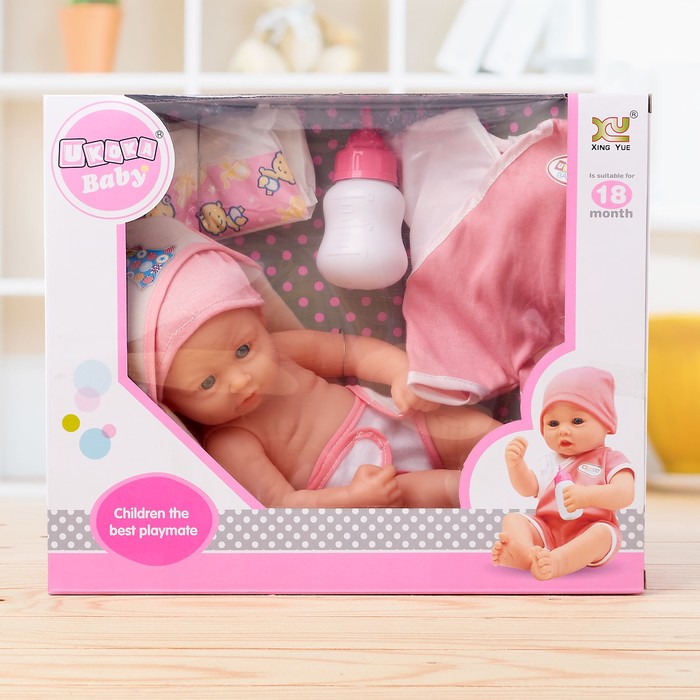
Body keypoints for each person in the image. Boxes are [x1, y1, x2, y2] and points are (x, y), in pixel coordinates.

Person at [127, 217, 500, 508]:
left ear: (259, 319)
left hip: (396, 417)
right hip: (364, 485)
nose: (240, 381)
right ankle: (507, 505)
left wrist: (398, 372)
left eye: (243, 351)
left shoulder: (282, 350)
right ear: (172, 402)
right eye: (207, 383)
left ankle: (527, 450)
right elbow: (281, 505)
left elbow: (352, 352)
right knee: (446, 489)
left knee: (480, 430)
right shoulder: (229, 442)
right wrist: (351, 499)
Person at [491, 366, 635, 580]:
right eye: (553, 423)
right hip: (547, 531)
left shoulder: (609, 459)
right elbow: (528, 488)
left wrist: (586, 496)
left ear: (606, 422)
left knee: (603, 534)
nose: (563, 430)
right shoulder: (550, 462)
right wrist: (516, 465)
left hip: (589, 532)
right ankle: (527, 555)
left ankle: (558, 562)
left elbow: (625, 494)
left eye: (577, 421)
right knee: (513, 519)